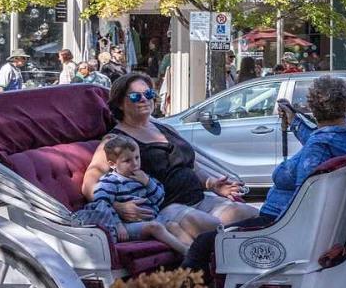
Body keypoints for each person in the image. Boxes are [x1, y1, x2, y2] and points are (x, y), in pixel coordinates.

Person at [82, 72, 259, 234]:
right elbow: (90, 182)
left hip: (198, 200)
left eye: (149, 94)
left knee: (254, 216)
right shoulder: (116, 139)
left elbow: (191, 166)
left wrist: (212, 184)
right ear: (120, 103)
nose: (144, 99)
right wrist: (116, 206)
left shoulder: (164, 127)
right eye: (136, 96)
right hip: (165, 208)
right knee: (218, 229)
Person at [256, 76, 346, 223]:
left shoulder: (318, 145)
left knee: (220, 226)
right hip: (287, 221)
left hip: (276, 222)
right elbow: (322, 140)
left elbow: (302, 200)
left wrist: (272, 227)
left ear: (312, 108)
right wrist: (294, 120)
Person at [84, 135, 199, 254]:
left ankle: (196, 253)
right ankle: (186, 252)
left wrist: (148, 183)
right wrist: (118, 224)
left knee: (173, 225)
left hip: (152, 218)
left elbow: (159, 198)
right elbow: (102, 204)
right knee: (155, 227)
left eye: (137, 158)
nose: (135, 164)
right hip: (128, 226)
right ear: (112, 164)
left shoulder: (143, 177)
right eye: (127, 161)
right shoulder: (110, 181)